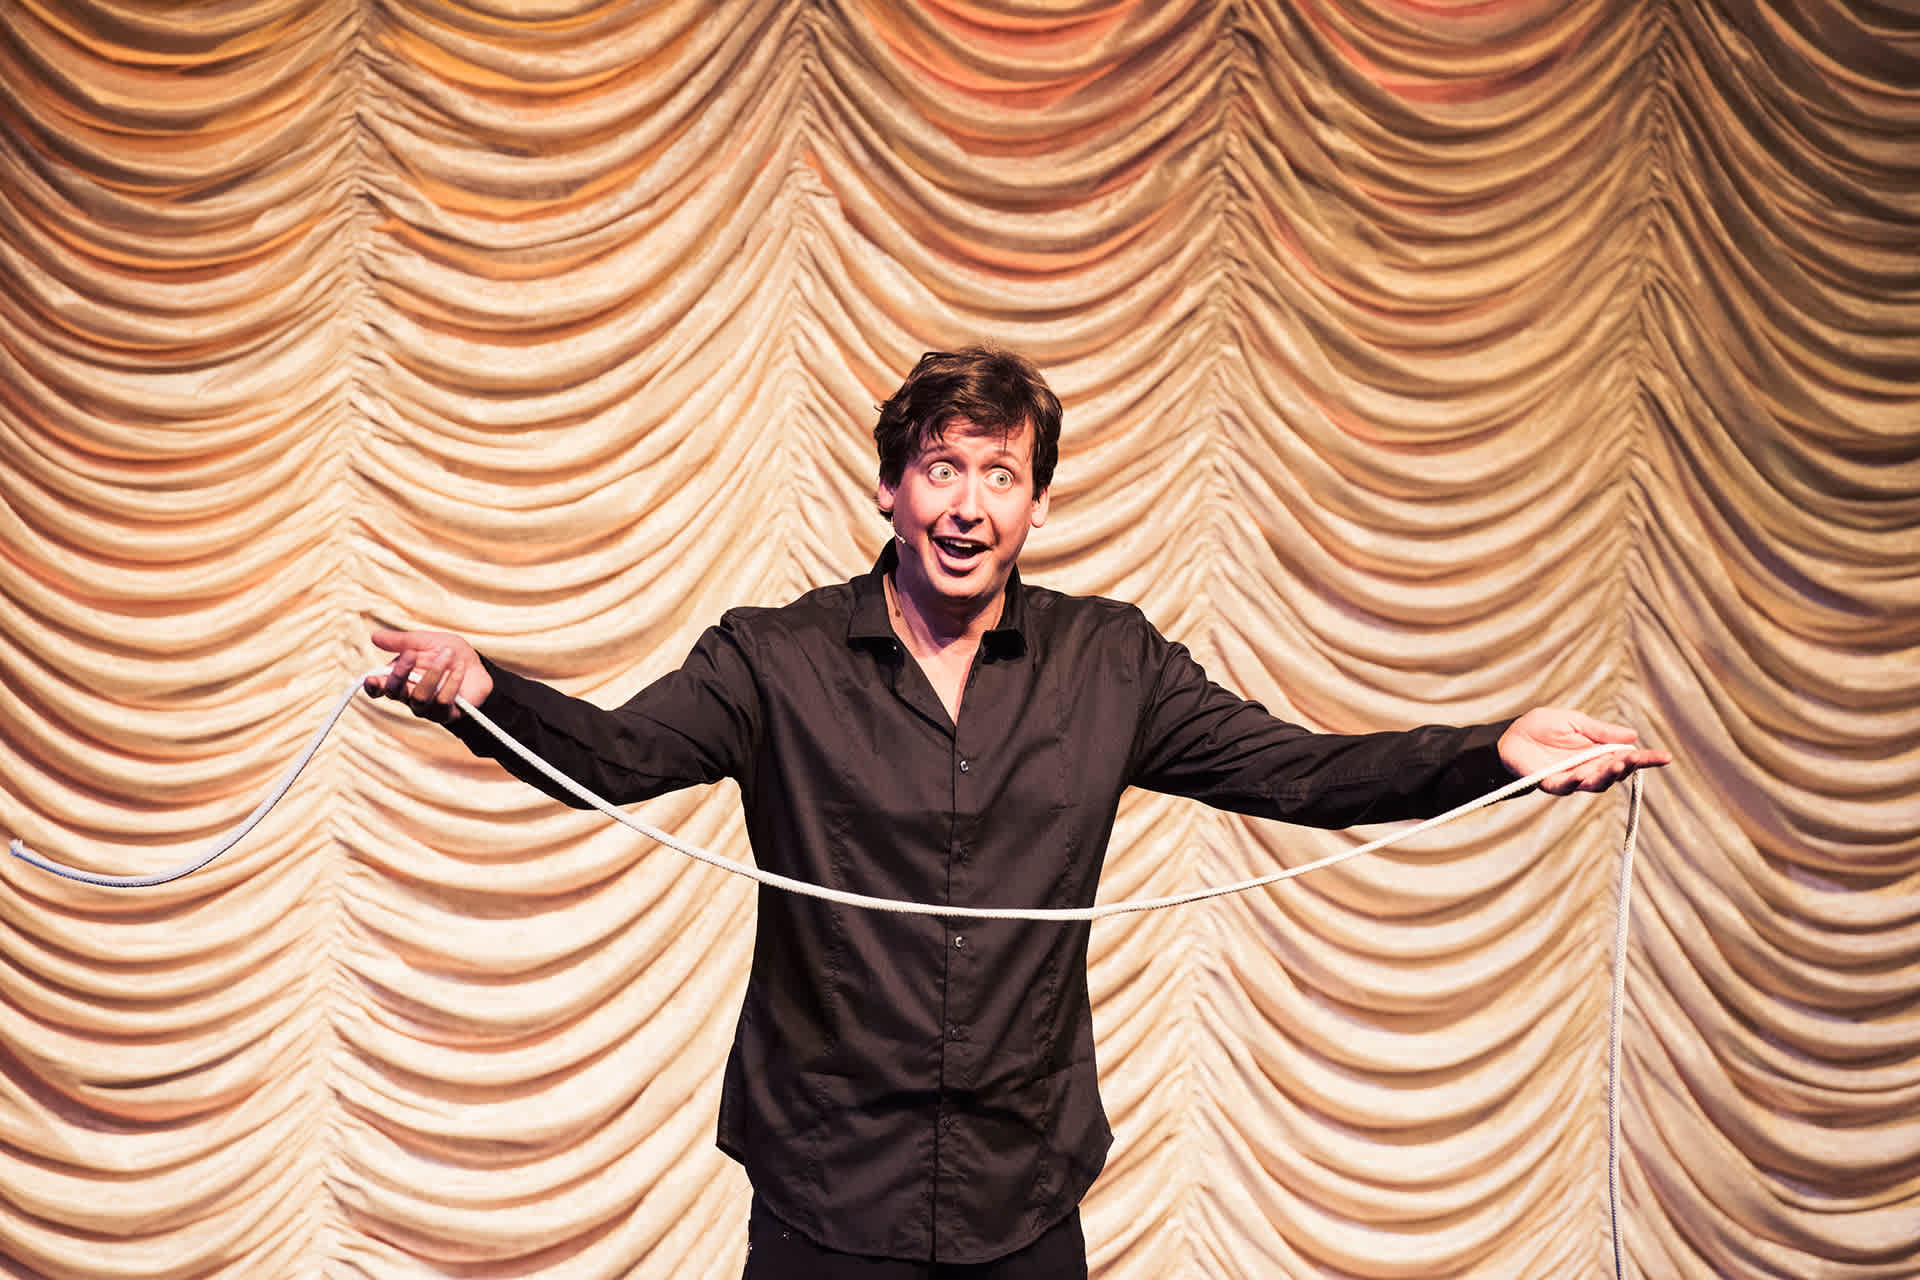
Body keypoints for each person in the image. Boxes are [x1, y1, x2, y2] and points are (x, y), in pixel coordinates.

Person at [366, 347, 1669, 1279]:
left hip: (1021, 1193)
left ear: (1038, 504)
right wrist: (482, 691)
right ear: (890, 487)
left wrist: (1493, 751)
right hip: (827, 1191)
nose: (967, 506)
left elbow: (1301, 774)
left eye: (1000, 475)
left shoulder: (1114, 665)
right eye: (941, 469)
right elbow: (616, 759)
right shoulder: (774, 658)